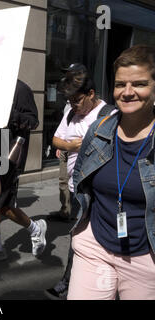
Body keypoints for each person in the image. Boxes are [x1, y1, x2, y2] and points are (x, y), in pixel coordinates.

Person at [68, 45, 155, 300]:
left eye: (139, 84)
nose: (127, 93)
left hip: (145, 258)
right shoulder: (98, 130)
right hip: (94, 247)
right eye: (120, 84)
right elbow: (81, 183)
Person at [44, 63, 115, 300]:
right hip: (77, 190)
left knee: (101, 243)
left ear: (91, 94)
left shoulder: (110, 116)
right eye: (70, 101)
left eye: (76, 100)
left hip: (100, 193)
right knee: (78, 240)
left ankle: (101, 285)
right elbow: (56, 139)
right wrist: (70, 145)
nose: (73, 105)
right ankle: (72, 281)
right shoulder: (72, 113)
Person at [0, 80, 48, 263]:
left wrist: (7, 113)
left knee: (2, 204)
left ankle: (35, 228)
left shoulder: (20, 89)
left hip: (9, 154)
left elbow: (33, 121)